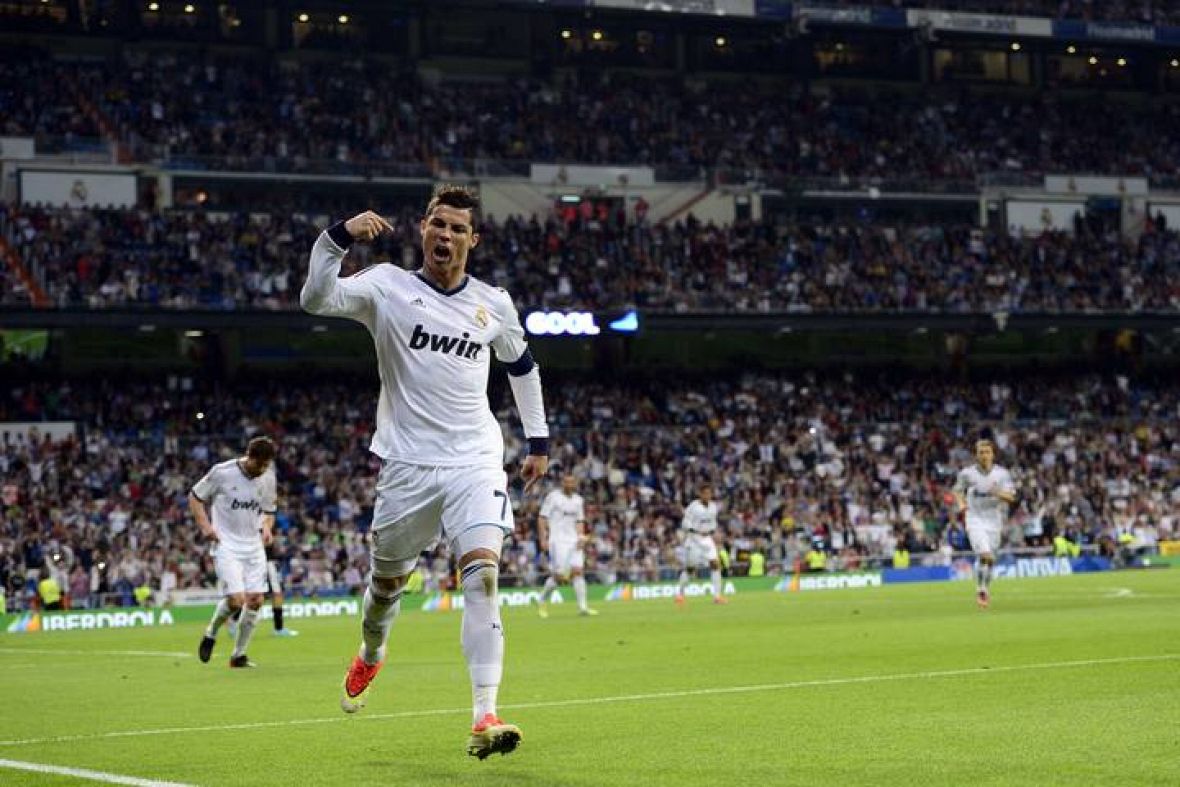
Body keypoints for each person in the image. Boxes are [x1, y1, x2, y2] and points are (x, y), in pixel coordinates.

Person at [300, 184, 549, 760]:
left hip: (475, 460)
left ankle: (484, 713)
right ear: (422, 229)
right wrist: (336, 239)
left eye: (459, 229)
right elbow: (316, 299)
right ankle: (372, 650)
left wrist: (538, 439)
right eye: (439, 224)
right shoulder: (386, 286)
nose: (447, 236)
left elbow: (523, 366)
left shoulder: (494, 303)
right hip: (408, 468)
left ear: (473, 239)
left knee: (483, 577)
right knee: (386, 590)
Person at [190, 436, 278, 668]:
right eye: (261, 465)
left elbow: (269, 510)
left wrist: (267, 527)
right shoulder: (222, 473)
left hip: (253, 545)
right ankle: (211, 632)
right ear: (250, 457)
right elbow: (195, 497)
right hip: (226, 544)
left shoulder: (268, 478)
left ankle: (239, 655)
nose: (263, 470)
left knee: (257, 600)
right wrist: (206, 528)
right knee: (236, 600)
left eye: (267, 465)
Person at [952, 436, 1016, 609]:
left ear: (993, 454)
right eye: (981, 452)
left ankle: (985, 588)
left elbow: (1011, 497)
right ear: (976, 455)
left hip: (994, 520)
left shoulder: (1002, 474)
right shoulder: (967, 474)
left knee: (990, 560)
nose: (984, 455)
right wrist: (961, 503)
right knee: (985, 555)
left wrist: (998, 493)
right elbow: (957, 490)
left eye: (987, 452)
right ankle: (980, 590)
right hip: (974, 518)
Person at [534, 473, 597, 618]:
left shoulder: (578, 500)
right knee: (560, 576)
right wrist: (543, 539)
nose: (569, 485)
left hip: (574, 541)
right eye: (566, 482)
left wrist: (581, 537)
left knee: (578, 571)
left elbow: (580, 521)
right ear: (562, 483)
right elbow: (542, 518)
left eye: (571, 482)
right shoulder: (553, 497)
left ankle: (583, 607)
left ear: (575, 484)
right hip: (557, 541)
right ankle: (541, 599)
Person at [227, 539, 299, 638]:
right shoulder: (258, 529)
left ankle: (234, 620)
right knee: (273, 595)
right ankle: (234, 620)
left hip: (269, 564)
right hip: (265, 564)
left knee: (271, 596)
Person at [675, 482, 727, 606]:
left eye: (709, 493)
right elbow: (685, 523)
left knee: (715, 564)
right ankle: (680, 594)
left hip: (707, 538)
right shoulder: (693, 506)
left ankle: (717, 596)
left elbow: (713, 523)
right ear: (700, 494)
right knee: (691, 569)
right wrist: (694, 530)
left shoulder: (713, 506)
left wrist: (714, 532)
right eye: (705, 493)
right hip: (694, 539)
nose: (708, 496)